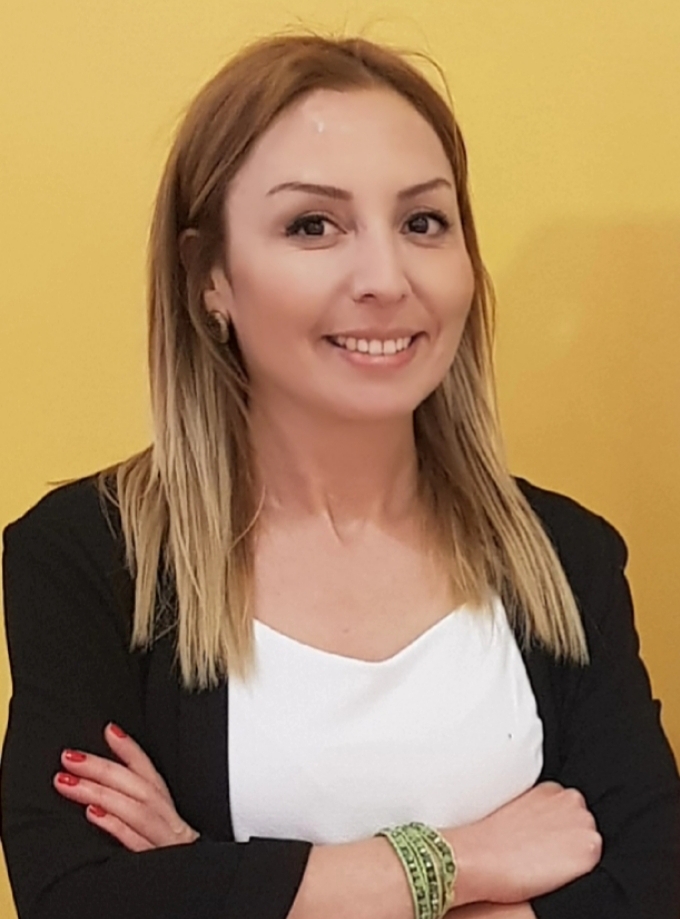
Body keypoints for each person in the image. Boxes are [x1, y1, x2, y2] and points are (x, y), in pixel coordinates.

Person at [1, 32, 678, 919]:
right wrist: (462, 862)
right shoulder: (90, 557)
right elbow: (79, 898)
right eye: (312, 225)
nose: (386, 279)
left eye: (422, 222)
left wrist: (216, 876)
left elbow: (655, 878)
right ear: (209, 277)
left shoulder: (564, 556)